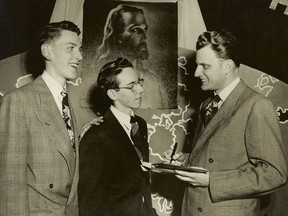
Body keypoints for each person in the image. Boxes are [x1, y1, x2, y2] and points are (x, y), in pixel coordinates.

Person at [163, 30, 287, 216]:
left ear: (227, 66)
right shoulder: (207, 104)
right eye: (198, 65)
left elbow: (274, 174)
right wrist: (186, 160)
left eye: (205, 66)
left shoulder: (256, 105)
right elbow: (218, 156)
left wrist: (212, 181)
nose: (197, 73)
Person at [0, 21, 83, 215]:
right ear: (47, 51)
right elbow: (10, 183)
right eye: (71, 48)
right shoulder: (19, 101)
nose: (79, 56)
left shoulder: (67, 102)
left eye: (80, 49)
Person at [78, 57, 157, 216]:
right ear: (113, 93)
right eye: (131, 86)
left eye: (139, 82)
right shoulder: (96, 137)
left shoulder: (140, 124)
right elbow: (89, 204)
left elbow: (139, 182)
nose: (140, 90)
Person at [95, 4, 168, 108]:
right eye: (135, 30)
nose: (145, 37)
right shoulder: (107, 81)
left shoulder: (154, 82)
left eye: (144, 29)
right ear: (118, 35)